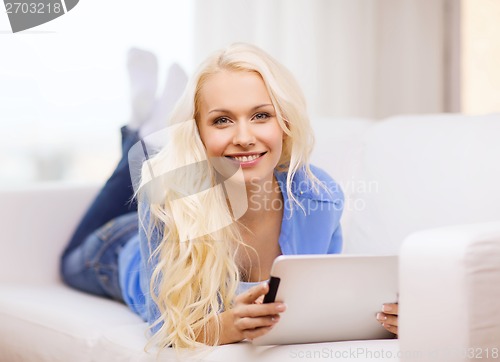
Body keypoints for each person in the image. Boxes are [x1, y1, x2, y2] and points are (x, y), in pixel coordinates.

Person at [60, 43, 398, 351]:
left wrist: (389, 319)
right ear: (198, 132)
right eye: (222, 120)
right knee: (69, 259)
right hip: (114, 249)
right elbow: (165, 327)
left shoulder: (319, 197)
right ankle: (138, 129)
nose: (244, 137)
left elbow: (324, 300)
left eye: (261, 115)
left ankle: (145, 121)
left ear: (285, 122)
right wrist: (226, 326)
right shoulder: (169, 198)